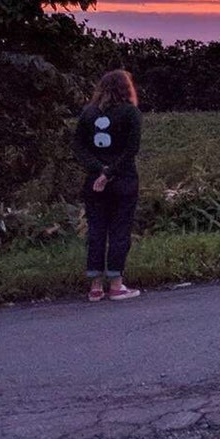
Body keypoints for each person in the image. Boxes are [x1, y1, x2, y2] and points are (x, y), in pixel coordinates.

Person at [72, 69, 144, 301]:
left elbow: (79, 147)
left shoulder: (88, 113)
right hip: (123, 180)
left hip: (93, 183)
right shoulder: (131, 113)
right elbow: (131, 149)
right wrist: (110, 172)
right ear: (126, 88)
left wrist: (98, 170)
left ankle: (95, 287)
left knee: (96, 231)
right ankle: (116, 284)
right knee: (120, 231)